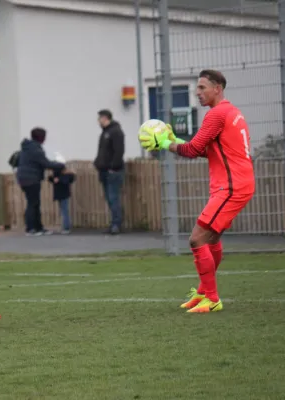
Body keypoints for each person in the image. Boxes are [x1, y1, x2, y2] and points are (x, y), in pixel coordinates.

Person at [139, 69, 255, 313]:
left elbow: (192, 151)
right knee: (211, 238)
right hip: (237, 184)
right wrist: (174, 139)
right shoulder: (231, 112)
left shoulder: (217, 114)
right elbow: (202, 150)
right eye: (197, 88)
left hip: (231, 186)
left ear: (217, 88)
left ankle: (211, 298)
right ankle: (204, 292)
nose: (197, 92)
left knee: (197, 238)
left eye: (202, 88)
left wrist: (164, 143)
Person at [15, 127, 65, 236]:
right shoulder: (35, 149)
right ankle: (31, 228)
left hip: (24, 178)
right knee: (33, 203)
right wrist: (60, 165)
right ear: (41, 137)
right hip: (31, 179)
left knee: (34, 203)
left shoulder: (28, 147)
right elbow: (45, 163)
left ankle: (38, 228)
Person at [93, 109, 125, 235]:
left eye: (100, 118)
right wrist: (97, 163)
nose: (98, 121)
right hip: (104, 170)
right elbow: (102, 152)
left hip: (113, 171)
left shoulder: (115, 132)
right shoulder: (105, 133)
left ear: (106, 118)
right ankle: (113, 223)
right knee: (109, 198)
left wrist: (113, 167)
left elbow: (119, 151)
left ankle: (116, 224)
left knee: (113, 197)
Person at [47, 167, 76, 234]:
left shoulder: (66, 176)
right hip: (61, 195)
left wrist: (58, 179)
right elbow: (50, 178)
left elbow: (66, 180)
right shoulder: (59, 175)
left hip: (63, 195)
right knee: (63, 210)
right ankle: (65, 226)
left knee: (64, 210)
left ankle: (66, 227)